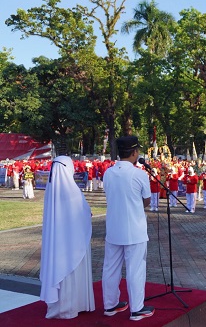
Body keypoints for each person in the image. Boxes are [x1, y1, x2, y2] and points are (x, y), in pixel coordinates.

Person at [102, 136, 155, 321]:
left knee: (110, 268)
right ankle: (137, 309)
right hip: (134, 229)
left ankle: (110, 305)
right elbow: (147, 200)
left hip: (114, 228)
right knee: (135, 269)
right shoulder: (139, 174)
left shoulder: (108, 173)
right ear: (134, 153)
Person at [40, 155, 95, 319]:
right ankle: (72, 304)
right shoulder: (73, 191)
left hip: (58, 242)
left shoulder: (51, 191)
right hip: (73, 242)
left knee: (61, 267)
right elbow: (83, 212)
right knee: (72, 268)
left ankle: (62, 304)